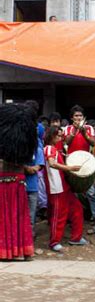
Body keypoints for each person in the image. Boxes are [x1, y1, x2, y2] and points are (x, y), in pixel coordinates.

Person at [0, 103, 37, 260]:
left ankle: (5, 250)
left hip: (4, 180)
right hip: (18, 180)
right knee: (18, 215)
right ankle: (20, 251)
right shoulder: (22, 146)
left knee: (4, 216)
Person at [43, 126, 88, 252]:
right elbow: (51, 163)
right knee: (59, 215)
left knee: (77, 208)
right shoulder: (49, 148)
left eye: (61, 135)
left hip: (64, 187)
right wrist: (70, 168)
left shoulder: (56, 149)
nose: (60, 137)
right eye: (58, 135)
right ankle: (54, 242)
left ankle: (76, 238)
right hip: (56, 188)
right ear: (51, 136)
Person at [24, 134, 45, 239]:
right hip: (20, 186)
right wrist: (28, 168)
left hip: (32, 186)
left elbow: (38, 167)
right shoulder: (20, 150)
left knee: (32, 213)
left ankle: (30, 234)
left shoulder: (38, 151)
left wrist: (27, 168)